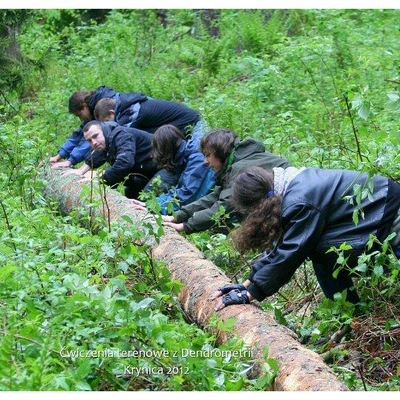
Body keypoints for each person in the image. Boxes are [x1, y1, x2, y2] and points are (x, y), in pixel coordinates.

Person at [212, 165, 400, 310]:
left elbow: (291, 254)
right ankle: (350, 316)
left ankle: (354, 313)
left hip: (387, 209)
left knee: (318, 251)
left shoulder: (299, 202)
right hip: (379, 209)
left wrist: (252, 294)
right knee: (322, 255)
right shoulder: (285, 187)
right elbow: (281, 247)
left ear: (255, 205)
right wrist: (247, 284)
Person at [162, 128, 292, 234]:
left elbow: (224, 207)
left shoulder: (240, 168)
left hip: (292, 202)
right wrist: (177, 216)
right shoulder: (236, 161)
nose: (205, 162)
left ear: (221, 152)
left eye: (208, 155)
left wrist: (186, 226)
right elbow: (216, 196)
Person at [131, 124, 215, 214]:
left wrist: (153, 208)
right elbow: (178, 192)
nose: (153, 155)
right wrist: (150, 204)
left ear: (166, 149)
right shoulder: (184, 156)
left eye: (158, 150)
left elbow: (186, 195)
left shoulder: (196, 158)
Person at [63, 120, 157, 199]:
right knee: (130, 195)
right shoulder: (106, 140)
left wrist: (99, 180)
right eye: (89, 140)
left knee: (146, 198)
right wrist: (81, 171)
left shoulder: (122, 135)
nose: (94, 142)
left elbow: (124, 163)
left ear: (104, 130)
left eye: (95, 136)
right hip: (144, 172)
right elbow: (98, 153)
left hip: (166, 166)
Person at [49, 85, 121, 169]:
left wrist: (70, 161)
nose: (80, 119)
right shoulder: (91, 111)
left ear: (84, 106)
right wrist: (58, 157)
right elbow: (78, 135)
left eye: (79, 115)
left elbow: (91, 141)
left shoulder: (101, 111)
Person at [94, 96, 205, 139]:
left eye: (108, 121)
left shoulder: (132, 112)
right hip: (182, 125)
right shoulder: (128, 109)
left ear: (112, 112)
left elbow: (117, 135)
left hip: (193, 124)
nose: (109, 125)